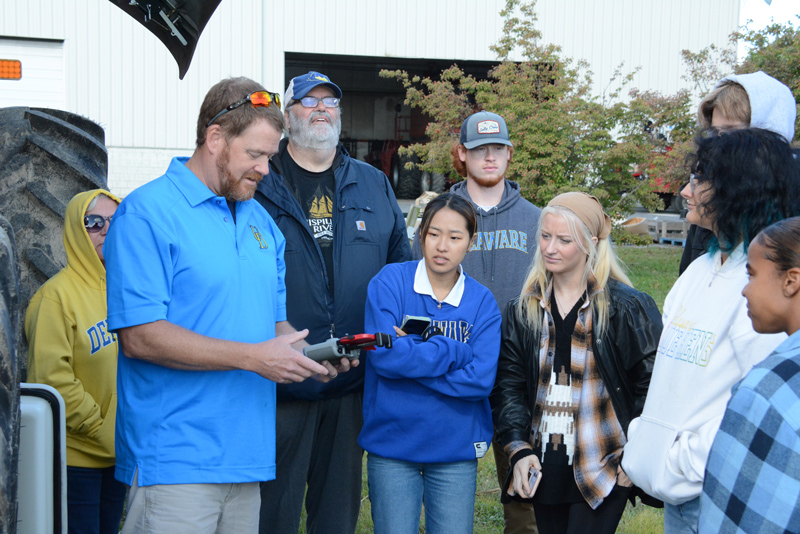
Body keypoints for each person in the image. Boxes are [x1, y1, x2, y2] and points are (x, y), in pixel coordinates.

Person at [104, 77, 340, 534]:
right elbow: (139, 337)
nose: (265, 170)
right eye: (254, 155)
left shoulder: (260, 222)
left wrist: (308, 355)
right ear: (215, 139)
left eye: (270, 157)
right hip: (174, 461)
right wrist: (255, 358)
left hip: (247, 459)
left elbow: (272, 327)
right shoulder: (146, 213)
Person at [254, 71, 411, 534]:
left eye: (330, 102)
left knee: (337, 515)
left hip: (350, 381)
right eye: (308, 101)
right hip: (280, 381)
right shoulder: (261, 181)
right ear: (287, 116)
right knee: (272, 514)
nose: (321, 109)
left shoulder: (373, 183)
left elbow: (400, 271)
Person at [623, 128, 800, 534]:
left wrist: (690, 463)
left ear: (739, 188)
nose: (686, 190)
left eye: (699, 179)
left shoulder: (764, 291)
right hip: (678, 496)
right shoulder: (700, 270)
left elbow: (761, 405)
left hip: (715, 495)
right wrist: (648, 442)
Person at [491, 192, 662, 534]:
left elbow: (653, 387)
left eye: (564, 240)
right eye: (545, 236)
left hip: (604, 465)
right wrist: (518, 449)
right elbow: (509, 387)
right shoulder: (523, 310)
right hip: (544, 467)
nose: (550, 247)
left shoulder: (626, 309)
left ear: (591, 243)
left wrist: (636, 459)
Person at [413, 109, 542, 534]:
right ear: (462, 155)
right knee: (441, 483)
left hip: (517, 370)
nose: (490, 158)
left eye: (498, 149)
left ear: (509, 154)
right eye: (479, 149)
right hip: (451, 365)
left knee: (524, 489)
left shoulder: (537, 220)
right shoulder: (438, 216)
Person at [359, 192, 501, 533]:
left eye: (455, 237)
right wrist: (456, 352)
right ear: (421, 233)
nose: (442, 246)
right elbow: (384, 357)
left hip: (455, 450)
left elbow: (481, 379)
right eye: (434, 234)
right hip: (393, 446)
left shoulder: (482, 302)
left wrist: (410, 360)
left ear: (471, 242)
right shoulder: (389, 283)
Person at [26, 189, 126, 534]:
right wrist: (99, 429)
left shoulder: (128, 289)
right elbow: (52, 379)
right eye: (94, 223)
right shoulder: (56, 297)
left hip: (120, 454)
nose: (106, 232)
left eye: (115, 221)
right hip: (77, 458)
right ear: (74, 229)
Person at [698, 217, 800, 534]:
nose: (745, 290)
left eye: (752, 275)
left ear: (791, 281)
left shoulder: (768, 389)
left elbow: (734, 519)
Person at [679, 71, 796, 274]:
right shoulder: (711, 208)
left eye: (732, 131)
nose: (719, 142)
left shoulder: (790, 210)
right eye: (715, 132)